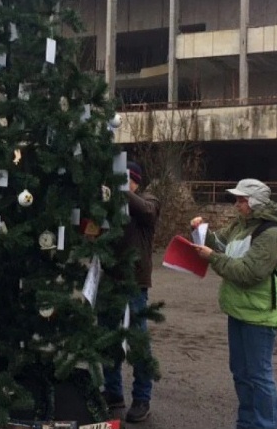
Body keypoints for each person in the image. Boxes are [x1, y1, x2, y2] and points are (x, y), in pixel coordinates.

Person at [189, 178, 277, 429]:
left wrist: (213, 258)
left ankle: (265, 425)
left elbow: (248, 273)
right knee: (242, 374)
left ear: (254, 203)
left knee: (259, 377)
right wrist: (201, 232)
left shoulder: (272, 234)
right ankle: (246, 423)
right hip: (239, 311)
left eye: (241, 200)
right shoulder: (240, 226)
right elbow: (219, 244)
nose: (236, 205)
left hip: (260, 315)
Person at [101, 161, 161, 423]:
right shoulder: (111, 205)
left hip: (135, 283)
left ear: (134, 181)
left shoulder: (149, 200)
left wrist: (119, 188)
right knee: (108, 338)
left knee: (138, 342)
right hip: (108, 280)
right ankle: (113, 395)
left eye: (126, 181)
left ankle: (142, 398)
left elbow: (147, 211)